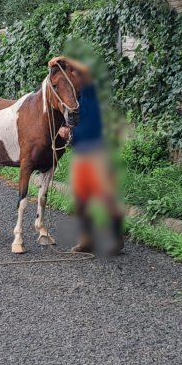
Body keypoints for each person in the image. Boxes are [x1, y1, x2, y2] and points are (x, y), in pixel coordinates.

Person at [64, 76, 124, 256]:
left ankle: (116, 238)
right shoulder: (79, 97)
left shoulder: (90, 94)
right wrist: (68, 132)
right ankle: (87, 240)